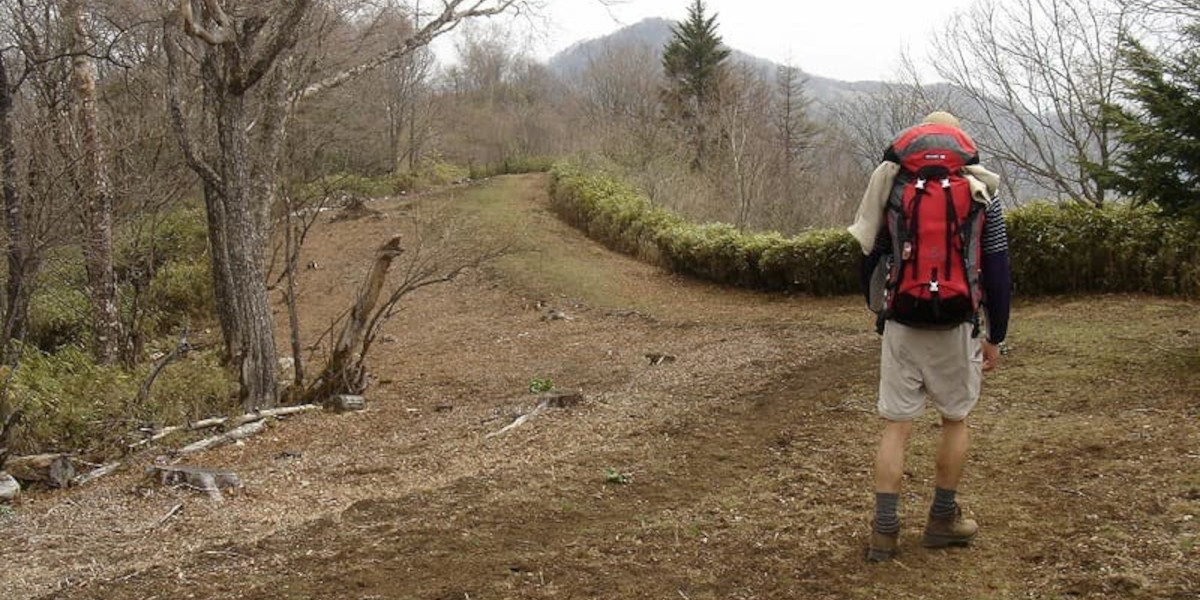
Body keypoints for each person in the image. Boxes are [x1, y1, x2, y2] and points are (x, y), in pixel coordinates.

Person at [848, 111, 1012, 562]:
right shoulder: (981, 192)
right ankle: (942, 519)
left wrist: (878, 310)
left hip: (903, 321)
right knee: (954, 420)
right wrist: (995, 332)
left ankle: (884, 532)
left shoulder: (894, 186)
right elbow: (997, 269)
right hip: (958, 324)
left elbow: (872, 255)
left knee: (896, 426)